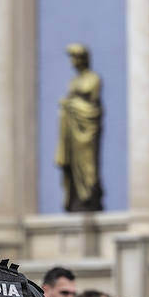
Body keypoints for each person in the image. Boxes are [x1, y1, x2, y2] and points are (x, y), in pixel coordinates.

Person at [55, 43, 103, 211]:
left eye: (74, 57)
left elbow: (93, 107)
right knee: (73, 171)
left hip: (86, 133)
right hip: (72, 132)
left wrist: (71, 105)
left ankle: (89, 196)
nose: (72, 61)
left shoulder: (93, 79)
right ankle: (76, 199)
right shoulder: (73, 82)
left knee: (88, 167)